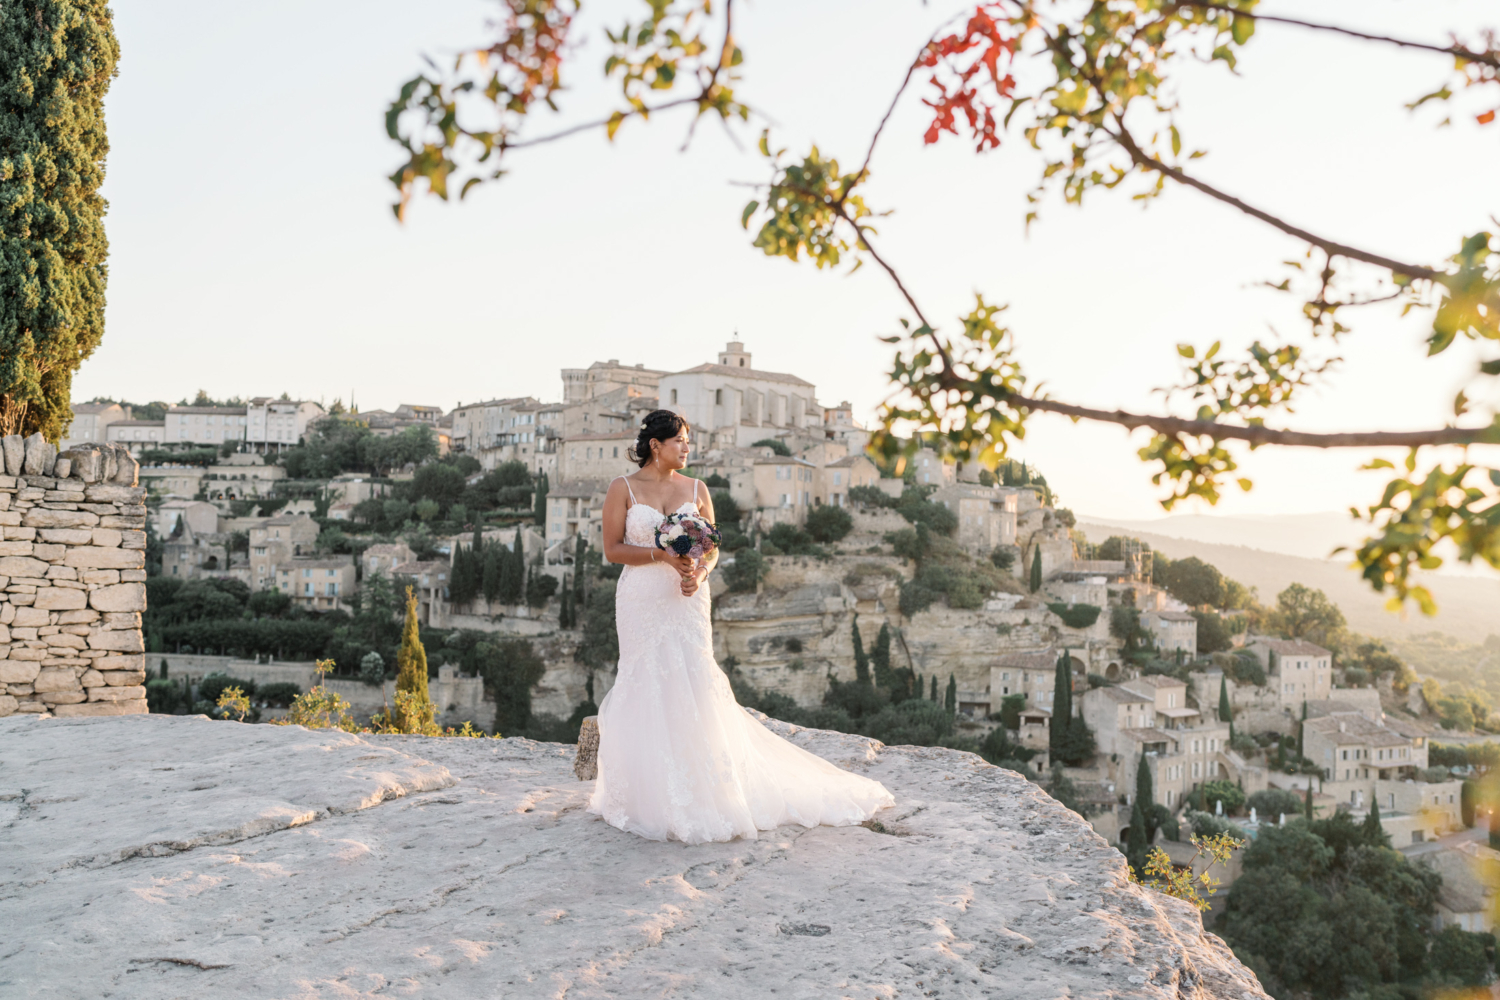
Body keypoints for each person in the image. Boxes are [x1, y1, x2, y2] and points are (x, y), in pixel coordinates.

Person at [586, 409, 894, 844]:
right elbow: (613, 549)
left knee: (694, 678)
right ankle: (644, 795)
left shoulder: (698, 489)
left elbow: (711, 549)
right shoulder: (623, 488)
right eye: (680, 441)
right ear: (655, 445)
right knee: (645, 679)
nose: (687, 448)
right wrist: (662, 556)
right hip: (640, 600)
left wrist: (700, 573)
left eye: (689, 441)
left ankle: (706, 788)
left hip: (687, 598)